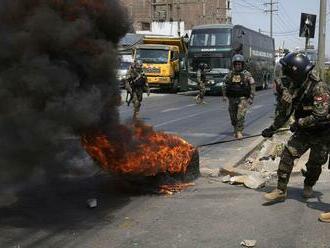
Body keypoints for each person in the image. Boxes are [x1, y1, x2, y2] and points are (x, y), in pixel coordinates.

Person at [262, 52, 330, 202]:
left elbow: (320, 115)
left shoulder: (319, 88)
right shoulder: (295, 86)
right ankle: (280, 190)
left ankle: (308, 185)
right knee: (287, 155)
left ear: (296, 71)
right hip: (304, 132)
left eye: (287, 72)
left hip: (323, 134)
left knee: (315, 164)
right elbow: (285, 113)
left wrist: (299, 123)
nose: (285, 75)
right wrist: (272, 129)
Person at [222, 54, 255, 139]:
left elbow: (252, 84)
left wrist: (251, 97)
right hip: (232, 98)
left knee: (240, 115)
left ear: (242, 64)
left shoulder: (247, 74)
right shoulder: (230, 74)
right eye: (236, 64)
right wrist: (224, 95)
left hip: (242, 98)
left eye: (239, 64)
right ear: (233, 64)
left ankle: (239, 131)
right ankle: (235, 129)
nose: (237, 66)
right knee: (233, 115)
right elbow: (224, 84)